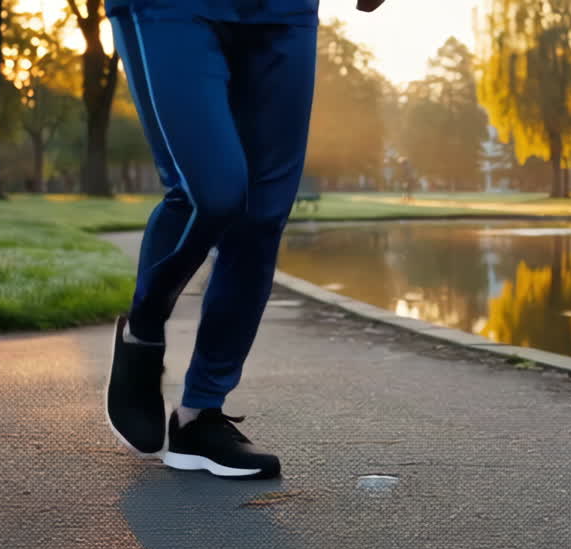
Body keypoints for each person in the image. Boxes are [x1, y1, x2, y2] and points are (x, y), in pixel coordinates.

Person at [105, 0, 382, 479]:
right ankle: (143, 332)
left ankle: (200, 415)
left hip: (283, 12)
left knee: (263, 214)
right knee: (211, 193)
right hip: (175, 8)